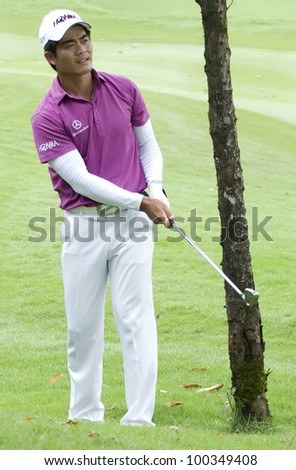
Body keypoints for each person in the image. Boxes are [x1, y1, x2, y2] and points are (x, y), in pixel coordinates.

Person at [31, 9, 174, 427]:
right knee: (82, 328)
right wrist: (141, 202)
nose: (82, 50)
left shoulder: (124, 88)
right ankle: (85, 416)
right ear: (51, 57)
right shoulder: (47, 115)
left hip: (132, 227)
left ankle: (139, 419)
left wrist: (158, 188)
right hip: (86, 226)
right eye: (69, 44)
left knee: (136, 320)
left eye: (84, 39)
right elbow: (82, 180)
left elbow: (147, 146)